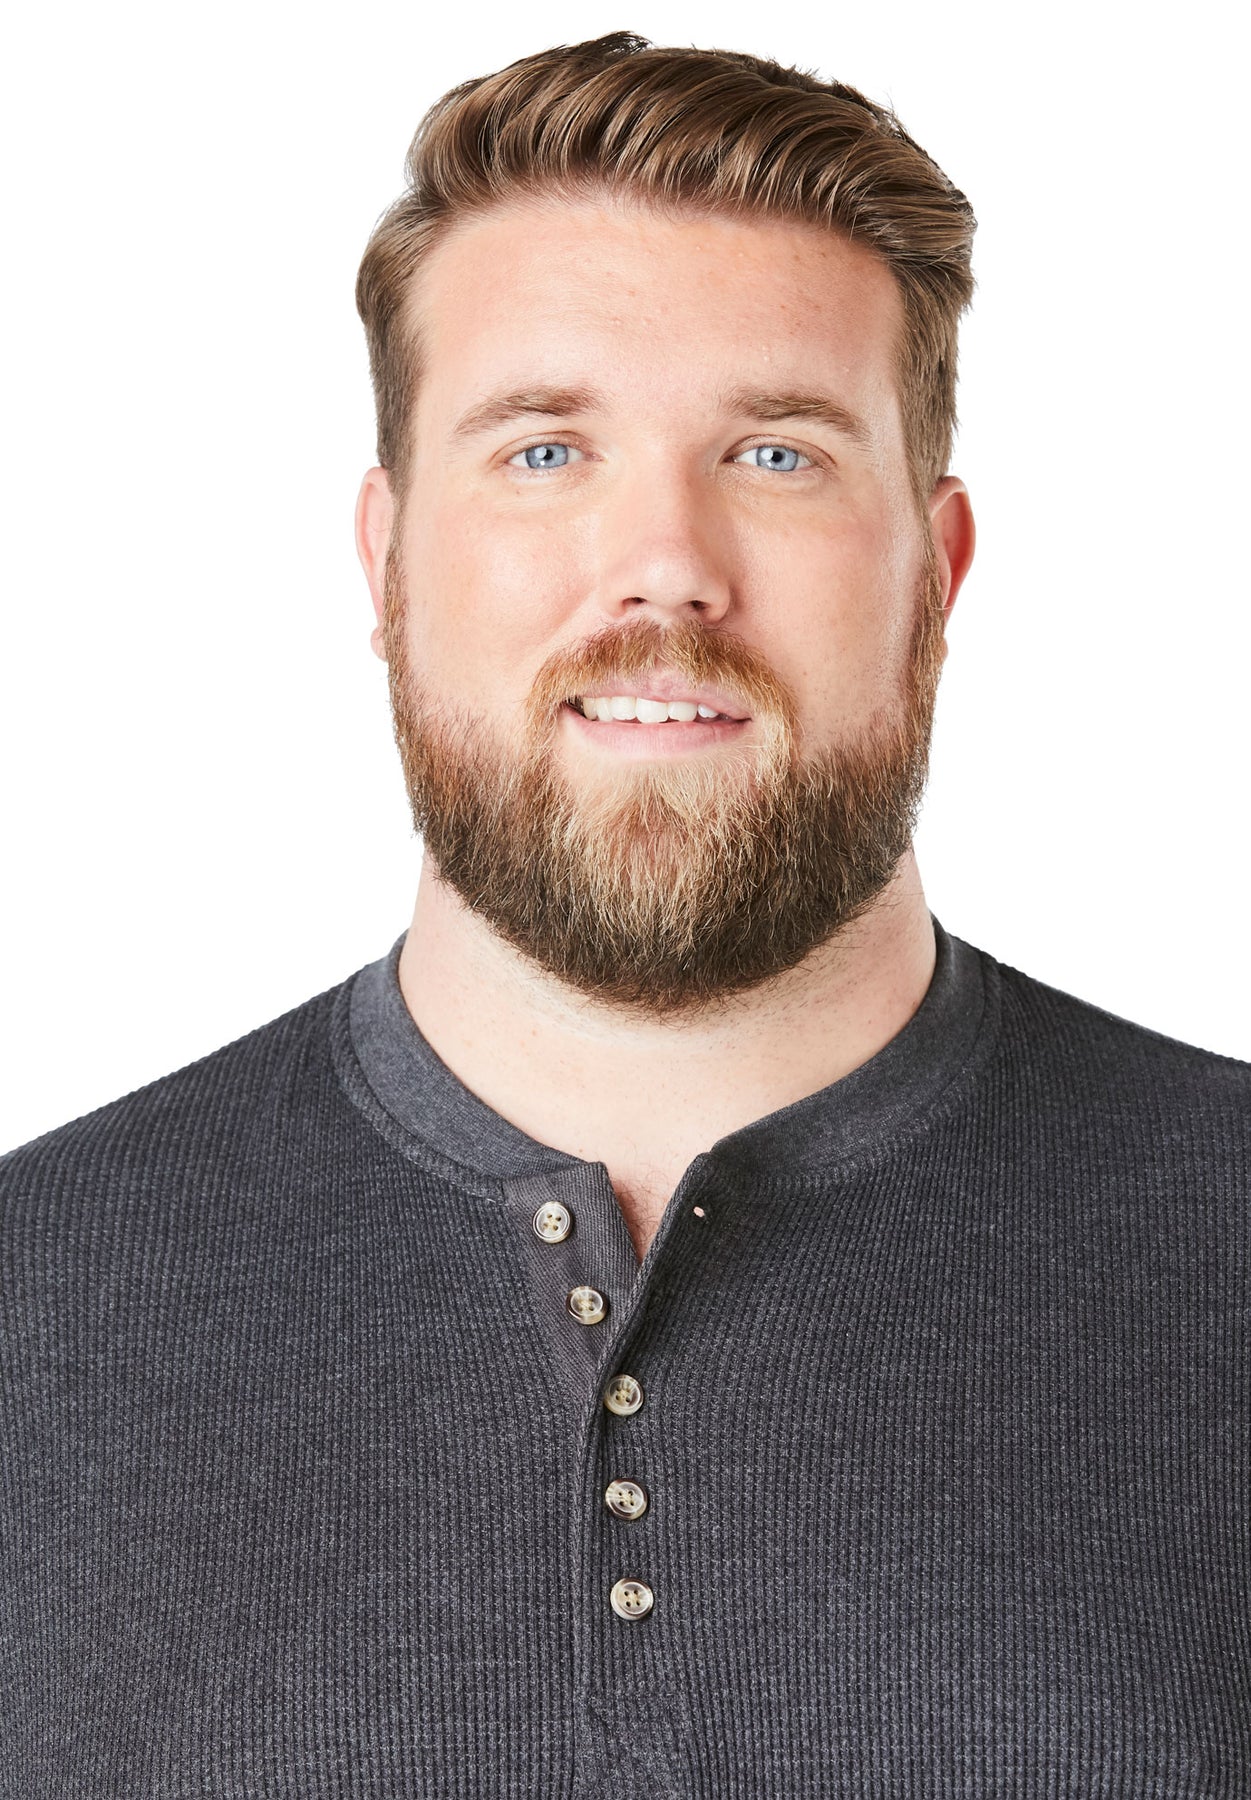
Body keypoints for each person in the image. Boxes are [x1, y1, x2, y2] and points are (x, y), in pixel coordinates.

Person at [1, 30, 1246, 1795]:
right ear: (384, 561)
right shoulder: (33, 1300)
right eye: (543, 451)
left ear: (938, 571)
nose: (664, 563)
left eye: (777, 454)